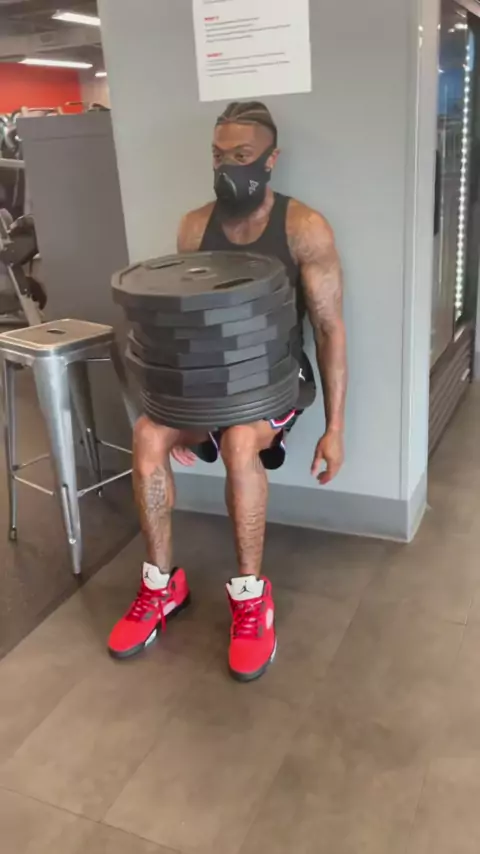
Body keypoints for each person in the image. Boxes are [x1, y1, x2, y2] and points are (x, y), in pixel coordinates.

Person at [108, 101, 348, 682]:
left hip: (275, 377)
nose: (228, 168)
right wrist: (181, 412)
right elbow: (188, 321)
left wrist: (335, 429)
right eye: (219, 156)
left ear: (271, 159)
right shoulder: (195, 226)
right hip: (209, 378)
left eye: (242, 155)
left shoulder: (303, 227)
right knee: (147, 433)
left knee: (241, 441)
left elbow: (328, 328)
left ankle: (250, 598)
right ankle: (161, 586)